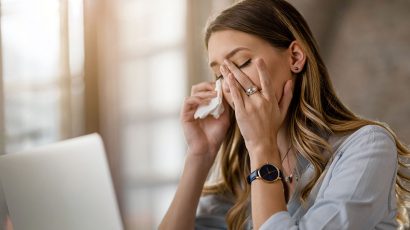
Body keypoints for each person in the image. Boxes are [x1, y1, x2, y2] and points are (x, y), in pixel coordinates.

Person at [159, 0, 410, 229]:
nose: (230, 84)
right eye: (220, 74)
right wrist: (200, 154)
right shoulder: (239, 172)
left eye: (242, 62)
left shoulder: (368, 147)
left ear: (295, 57)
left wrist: (262, 148)